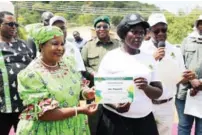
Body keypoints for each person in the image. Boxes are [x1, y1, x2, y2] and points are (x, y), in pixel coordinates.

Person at [16, 26, 97, 135]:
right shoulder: (31, 75)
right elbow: (44, 114)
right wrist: (80, 110)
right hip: (47, 129)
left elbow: (78, 84)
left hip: (73, 126)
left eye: (62, 44)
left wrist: (86, 92)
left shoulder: (68, 63)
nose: (60, 48)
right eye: (55, 43)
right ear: (41, 46)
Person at [96, 13, 163, 135]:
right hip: (115, 120)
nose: (139, 36)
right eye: (134, 32)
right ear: (124, 33)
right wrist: (116, 105)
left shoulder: (149, 59)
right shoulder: (111, 57)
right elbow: (100, 91)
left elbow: (158, 92)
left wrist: (146, 87)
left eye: (141, 32)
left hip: (144, 122)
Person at [140, 13, 196, 135]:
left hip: (166, 105)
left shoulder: (175, 50)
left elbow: (179, 77)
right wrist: (152, 60)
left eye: (164, 29)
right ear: (149, 31)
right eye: (156, 30)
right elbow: (136, 75)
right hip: (145, 103)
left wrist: (187, 77)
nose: (161, 33)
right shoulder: (141, 50)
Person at [81, 15, 122, 135]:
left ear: (109, 28)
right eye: (98, 26)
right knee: (94, 122)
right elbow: (83, 66)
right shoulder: (88, 46)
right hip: (95, 91)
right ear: (95, 29)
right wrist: (94, 73)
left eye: (105, 26)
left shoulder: (118, 45)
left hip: (115, 89)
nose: (102, 28)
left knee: (114, 122)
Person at [0, 11, 34, 135]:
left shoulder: (23, 45)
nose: (14, 26)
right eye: (10, 24)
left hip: (24, 104)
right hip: (3, 106)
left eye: (15, 24)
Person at [175, 14, 202, 135]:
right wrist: (192, 80)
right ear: (197, 25)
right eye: (201, 23)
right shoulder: (186, 41)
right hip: (185, 92)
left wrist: (200, 83)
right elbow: (179, 64)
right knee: (184, 126)